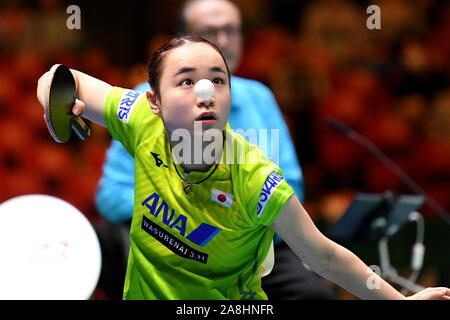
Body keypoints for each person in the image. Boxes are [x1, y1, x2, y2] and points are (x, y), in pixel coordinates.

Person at [36, 35, 450, 300]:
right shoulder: (139, 120)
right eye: (185, 81)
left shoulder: (254, 177)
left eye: (217, 80)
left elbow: (325, 256)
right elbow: (60, 77)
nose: (204, 92)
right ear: (154, 101)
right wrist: (56, 106)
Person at [95, 0, 336, 300]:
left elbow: (292, 188)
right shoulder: (147, 105)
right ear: (183, 39)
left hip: (255, 250)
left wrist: (237, 226)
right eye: (209, 31)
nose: (223, 41)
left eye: (231, 30)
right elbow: (109, 196)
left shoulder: (261, 98)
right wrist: (185, 213)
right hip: (173, 247)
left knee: (315, 295)